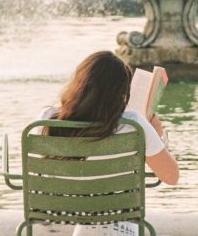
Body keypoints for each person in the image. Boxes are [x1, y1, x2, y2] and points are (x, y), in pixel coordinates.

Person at [39, 51, 179, 185]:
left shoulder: (47, 118)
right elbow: (171, 177)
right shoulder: (133, 123)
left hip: (57, 209)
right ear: (121, 92)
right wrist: (157, 132)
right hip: (114, 209)